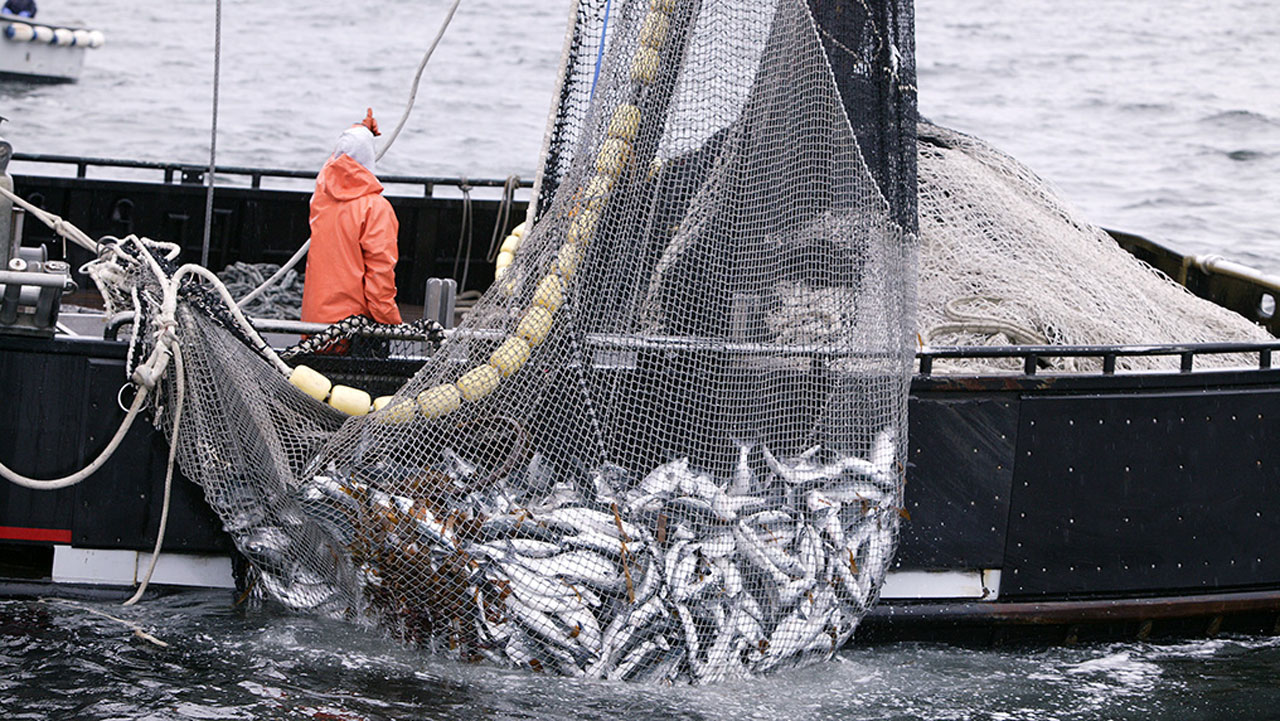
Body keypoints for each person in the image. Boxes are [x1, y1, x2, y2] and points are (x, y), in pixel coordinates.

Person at [300, 109, 403, 326]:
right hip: (351, 330)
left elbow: (335, 161)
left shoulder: (322, 194)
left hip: (313, 324)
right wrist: (392, 325)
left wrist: (361, 128)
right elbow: (380, 279)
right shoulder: (376, 209)